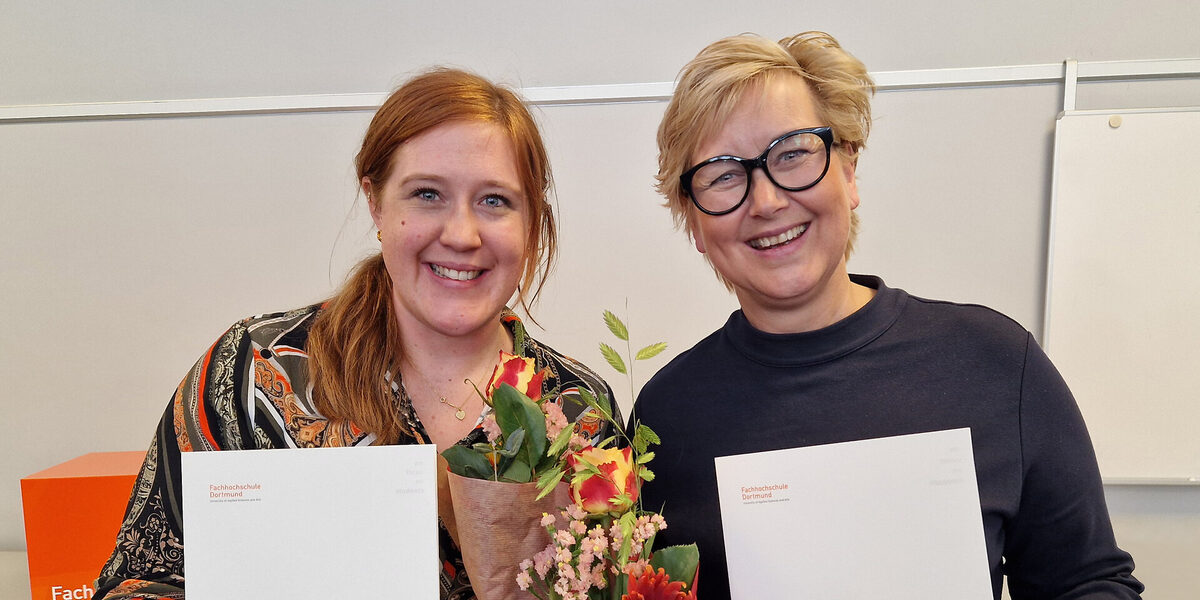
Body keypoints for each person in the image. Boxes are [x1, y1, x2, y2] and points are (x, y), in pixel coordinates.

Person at [631, 32, 1142, 600]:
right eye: (724, 174)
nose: (767, 200)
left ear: (848, 170)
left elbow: (1088, 584)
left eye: (793, 153)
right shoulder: (667, 414)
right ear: (694, 223)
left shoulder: (994, 363)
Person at [95, 68, 615, 600]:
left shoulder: (579, 410)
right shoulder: (254, 372)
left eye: (495, 200)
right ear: (375, 204)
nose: (461, 234)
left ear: (532, 222)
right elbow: (137, 582)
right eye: (427, 193)